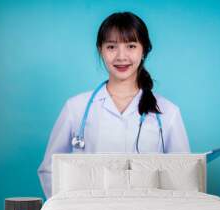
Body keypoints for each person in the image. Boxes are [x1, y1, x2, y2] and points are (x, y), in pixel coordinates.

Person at [38, 12, 190, 198]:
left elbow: (184, 176)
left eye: (131, 46)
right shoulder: (76, 108)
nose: (121, 56)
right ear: (100, 50)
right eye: (111, 46)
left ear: (144, 50)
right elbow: (49, 169)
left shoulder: (168, 112)